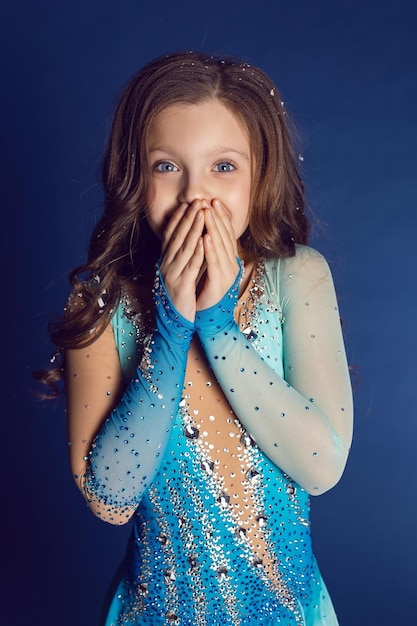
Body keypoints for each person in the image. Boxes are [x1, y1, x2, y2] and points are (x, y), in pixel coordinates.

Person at [38, 50, 353, 625]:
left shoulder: (297, 277)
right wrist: (172, 326)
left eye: (224, 166)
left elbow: (320, 466)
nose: (194, 194)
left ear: (261, 174)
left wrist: (218, 325)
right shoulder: (101, 302)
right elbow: (109, 501)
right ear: (134, 174)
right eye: (167, 166)